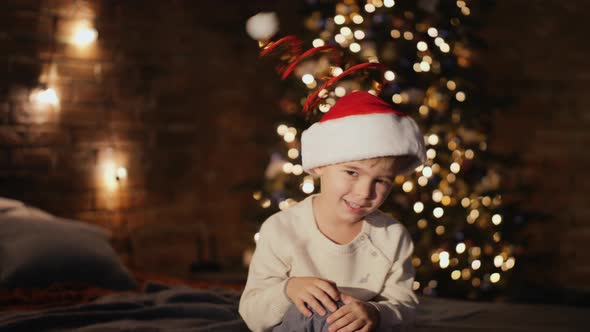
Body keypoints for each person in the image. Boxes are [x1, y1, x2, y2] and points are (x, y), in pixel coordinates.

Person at [239, 91, 426, 332]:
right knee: (309, 315)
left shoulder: (392, 236)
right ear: (320, 165)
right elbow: (252, 314)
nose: (364, 192)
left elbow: (405, 308)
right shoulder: (281, 229)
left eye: (381, 181)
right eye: (352, 172)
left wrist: (376, 313)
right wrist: (288, 290)